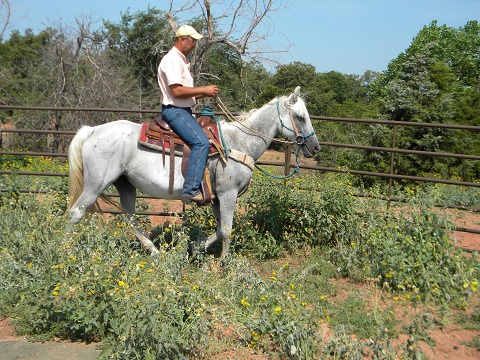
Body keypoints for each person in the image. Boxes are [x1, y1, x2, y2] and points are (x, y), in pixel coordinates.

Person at [157, 25, 219, 204]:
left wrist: (205, 93)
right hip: (175, 111)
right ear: (182, 39)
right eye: (193, 41)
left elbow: (186, 92)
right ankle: (190, 190)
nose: (194, 45)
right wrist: (204, 89)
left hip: (182, 110)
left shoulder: (181, 60)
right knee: (200, 142)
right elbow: (176, 91)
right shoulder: (172, 60)